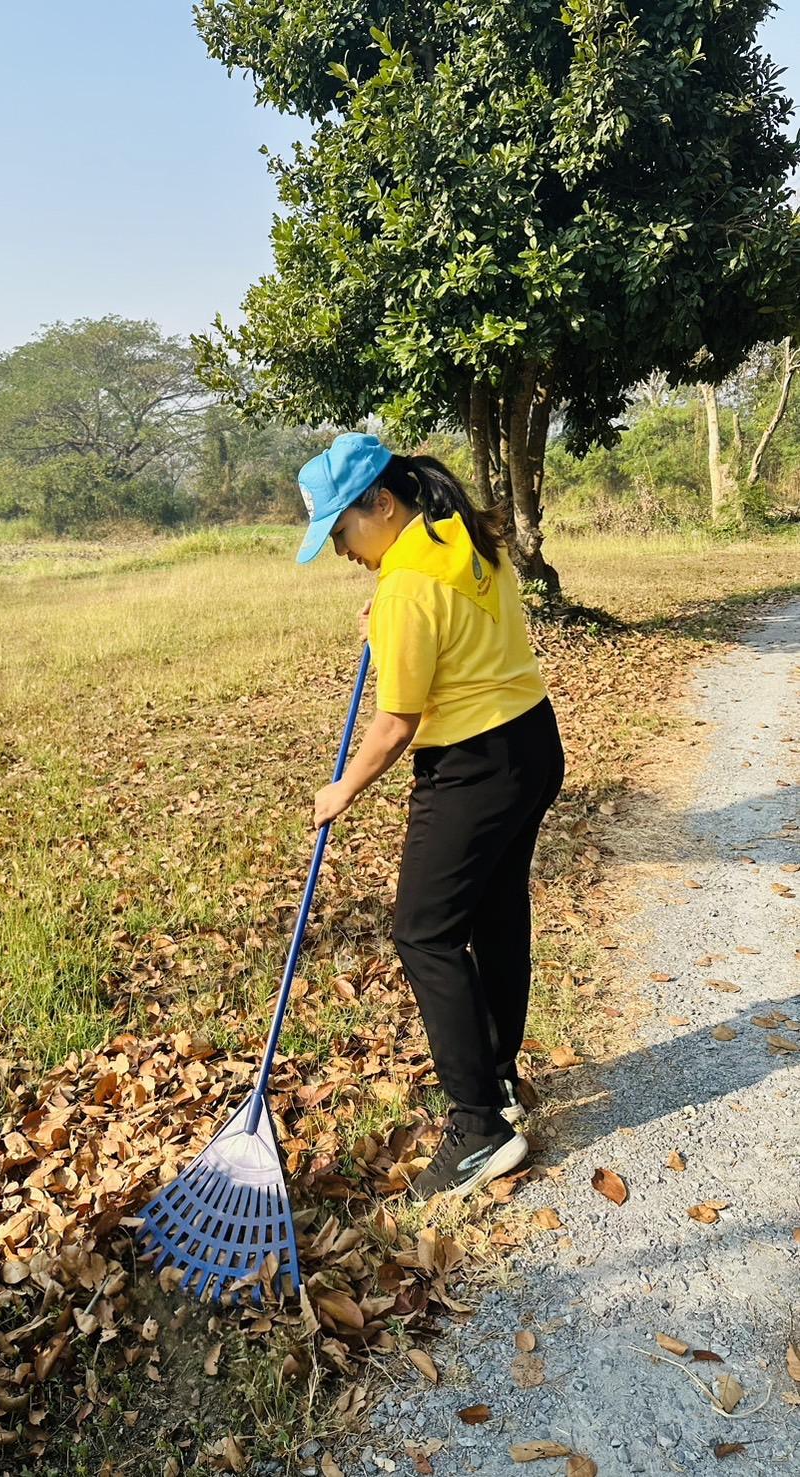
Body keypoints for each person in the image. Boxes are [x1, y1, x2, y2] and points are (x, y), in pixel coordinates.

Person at [296, 431, 565, 1198]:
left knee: (423, 931)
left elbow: (396, 724)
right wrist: (386, 610)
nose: (344, 550)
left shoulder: (407, 583)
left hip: (473, 766)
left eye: (343, 531)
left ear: (381, 502)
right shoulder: (462, 532)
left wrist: (340, 789)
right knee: (496, 913)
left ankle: (479, 1127)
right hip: (532, 744)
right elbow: (448, 612)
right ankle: (500, 1082)